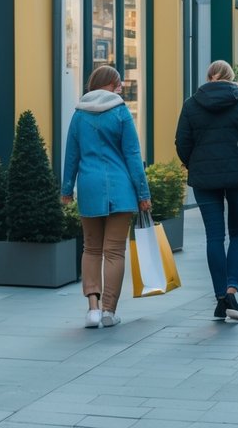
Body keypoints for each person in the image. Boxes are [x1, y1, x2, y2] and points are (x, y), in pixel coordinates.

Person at [176, 60, 238, 322]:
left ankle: (220, 297)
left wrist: (192, 163)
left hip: (205, 179)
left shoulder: (192, 104)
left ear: (209, 77)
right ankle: (231, 289)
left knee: (214, 237)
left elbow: (181, 141)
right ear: (231, 77)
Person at [61, 66, 151, 329]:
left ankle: (92, 310)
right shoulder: (121, 112)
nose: (121, 87)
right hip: (121, 188)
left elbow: (72, 156)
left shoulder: (79, 115)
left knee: (91, 248)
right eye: (118, 83)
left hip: (89, 187)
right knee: (114, 251)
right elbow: (133, 155)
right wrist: (143, 194)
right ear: (110, 84)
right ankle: (109, 311)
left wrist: (67, 190)